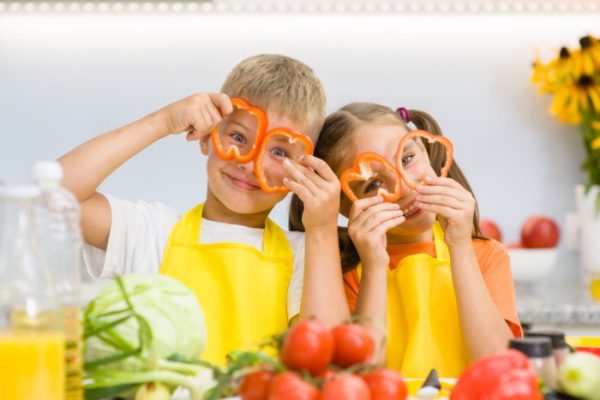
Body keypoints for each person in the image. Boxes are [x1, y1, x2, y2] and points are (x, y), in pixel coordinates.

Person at [59, 54, 349, 364]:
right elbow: (52, 198)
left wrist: (321, 228)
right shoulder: (151, 231)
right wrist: (162, 121)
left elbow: (332, 360)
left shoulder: (307, 254)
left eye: (279, 151)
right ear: (207, 137)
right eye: (238, 136)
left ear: (305, 167)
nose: (251, 164)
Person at [290, 102, 521, 378]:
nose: (405, 186)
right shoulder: (347, 271)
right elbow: (358, 376)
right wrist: (374, 266)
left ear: (426, 149)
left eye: (408, 159)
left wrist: (459, 247)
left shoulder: (487, 255)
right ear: (343, 207)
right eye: (373, 184)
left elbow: (499, 368)